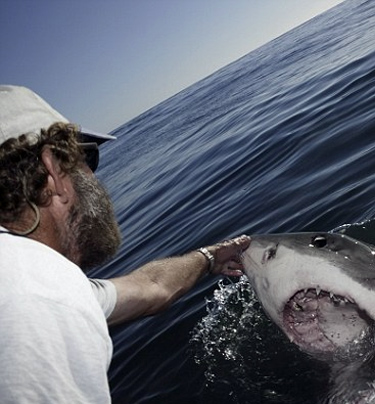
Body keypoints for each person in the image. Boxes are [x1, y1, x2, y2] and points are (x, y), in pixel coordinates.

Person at [0, 85, 250, 403]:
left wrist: (209, 258)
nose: (94, 175)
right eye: (88, 156)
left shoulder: (33, 278)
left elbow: (150, 288)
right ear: (53, 170)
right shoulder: (36, 300)